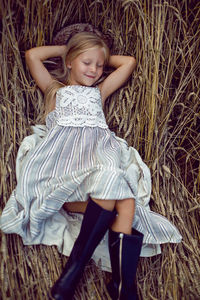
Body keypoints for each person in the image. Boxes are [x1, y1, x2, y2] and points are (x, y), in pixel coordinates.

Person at [0, 24, 182, 300]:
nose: (95, 70)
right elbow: (33, 55)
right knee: (121, 198)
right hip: (67, 166)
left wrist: (96, 52)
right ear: (70, 62)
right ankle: (78, 272)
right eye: (87, 62)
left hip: (100, 161)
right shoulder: (55, 91)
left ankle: (119, 287)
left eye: (99, 65)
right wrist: (70, 48)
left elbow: (129, 62)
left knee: (124, 199)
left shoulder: (99, 92)